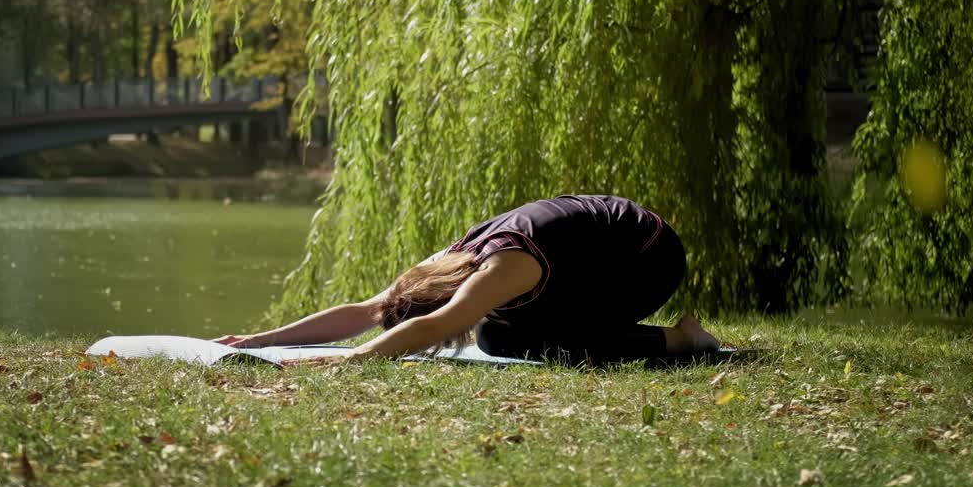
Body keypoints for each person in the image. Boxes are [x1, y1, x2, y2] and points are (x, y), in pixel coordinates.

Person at [217, 195, 721, 365]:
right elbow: (365, 311)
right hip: (599, 253)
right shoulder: (450, 260)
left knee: (515, 335)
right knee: (502, 332)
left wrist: (357, 358)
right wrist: (264, 339)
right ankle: (672, 337)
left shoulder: (504, 266)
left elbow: (437, 326)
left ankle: (682, 338)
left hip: (649, 260)